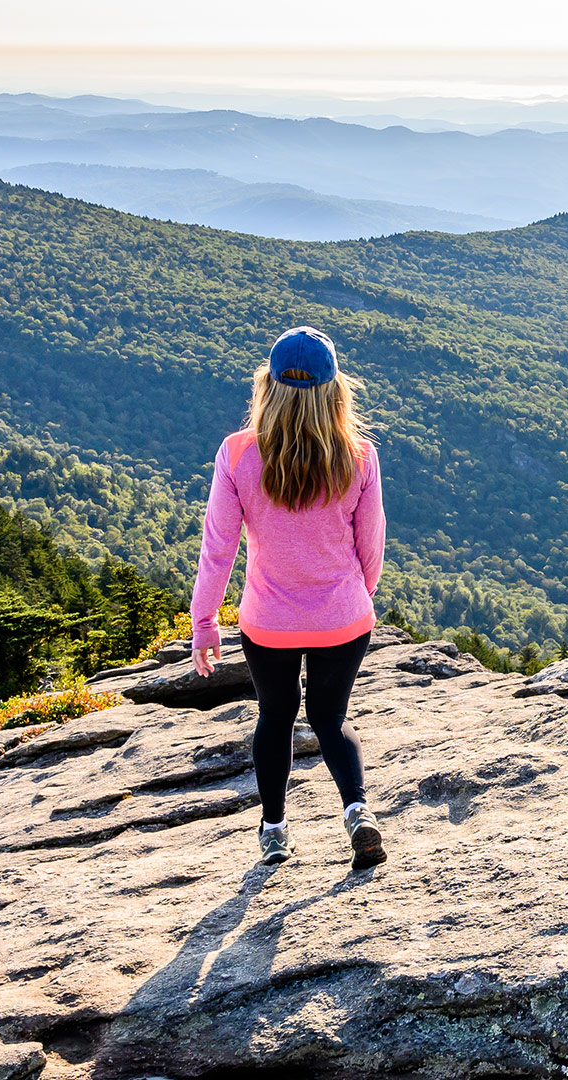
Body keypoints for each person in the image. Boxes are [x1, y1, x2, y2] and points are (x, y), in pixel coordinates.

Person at [190, 326, 387, 870]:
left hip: (268, 623)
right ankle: (358, 813)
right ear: (335, 390)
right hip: (344, 620)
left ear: (267, 386)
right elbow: (370, 545)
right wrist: (353, 599)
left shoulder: (237, 453)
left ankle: (274, 831)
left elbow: (218, 548)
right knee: (330, 718)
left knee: (275, 718)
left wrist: (204, 621)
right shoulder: (360, 456)